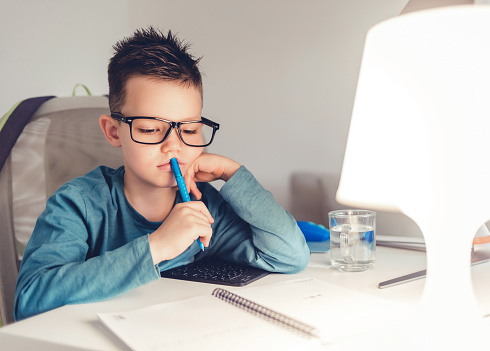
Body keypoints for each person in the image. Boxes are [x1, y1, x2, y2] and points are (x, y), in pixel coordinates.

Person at [14, 27, 310, 321]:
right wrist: (157, 246)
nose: (174, 146)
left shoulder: (204, 208)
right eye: (150, 129)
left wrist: (232, 174)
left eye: (190, 130)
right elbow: (30, 300)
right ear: (114, 131)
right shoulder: (78, 204)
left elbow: (290, 256)